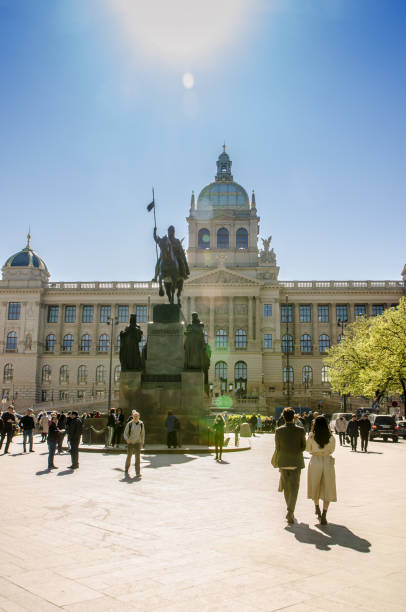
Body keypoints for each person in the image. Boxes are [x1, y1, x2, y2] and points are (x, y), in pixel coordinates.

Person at [275, 407, 306, 524]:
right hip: (296, 462)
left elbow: (277, 447)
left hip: (283, 462)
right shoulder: (300, 430)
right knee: (295, 488)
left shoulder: (278, 430)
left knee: (286, 488)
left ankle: (289, 508)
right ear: (294, 417)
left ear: (283, 417)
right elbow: (303, 447)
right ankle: (290, 511)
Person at [306, 415, 337, 525]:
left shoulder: (311, 437)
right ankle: (324, 513)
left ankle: (316, 506)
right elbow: (332, 450)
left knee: (315, 486)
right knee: (327, 487)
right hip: (327, 461)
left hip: (315, 461)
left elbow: (307, 449)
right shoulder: (331, 437)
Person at [123, 410, 145, 477]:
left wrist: (142, 443)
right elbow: (125, 433)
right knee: (129, 456)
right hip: (130, 442)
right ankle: (126, 469)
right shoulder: (129, 424)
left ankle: (137, 472)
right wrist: (127, 440)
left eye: (137, 416)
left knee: (137, 458)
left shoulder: (141, 424)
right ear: (132, 416)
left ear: (139, 417)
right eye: (134, 416)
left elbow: (143, 434)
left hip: (138, 442)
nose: (135, 417)